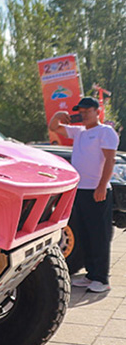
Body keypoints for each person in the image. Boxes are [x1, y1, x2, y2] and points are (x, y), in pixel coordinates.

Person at [49, 96, 118, 293]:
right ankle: (90, 275)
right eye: (81, 111)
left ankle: (101, 278)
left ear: (97, 112)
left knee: (99, 234)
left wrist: (102, 186)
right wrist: (58, 115)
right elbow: (55, 127)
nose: (84, 114)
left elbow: (110, 160)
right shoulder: (79, 132)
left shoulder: (105, 132)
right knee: (84, 233)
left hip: (97, 190)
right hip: (79, 190)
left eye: (88, 110)